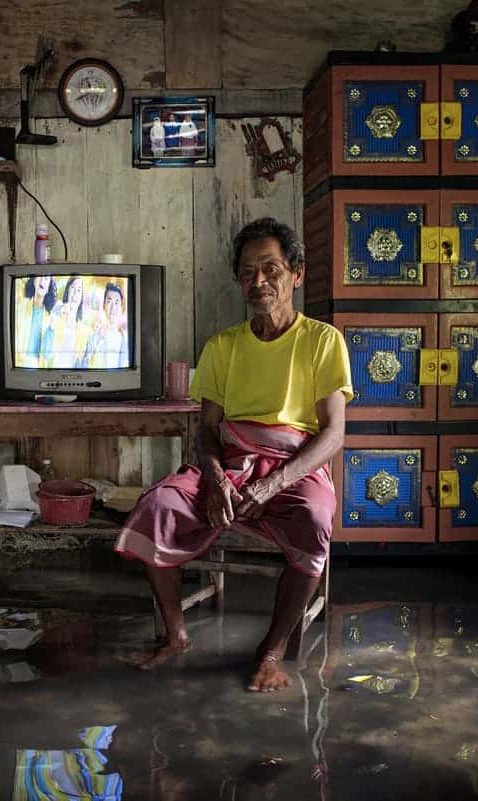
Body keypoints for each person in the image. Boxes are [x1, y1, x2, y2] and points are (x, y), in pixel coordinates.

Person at [115, 218, 353, 693]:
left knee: (315, 517)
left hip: (294, 467)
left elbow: (332, 435)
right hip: (231, 463)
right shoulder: (223, 346)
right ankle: (176, 635)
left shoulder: (323, 341)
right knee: (156, 507)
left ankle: (271, 652)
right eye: (248, 273)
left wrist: (273, 483)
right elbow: (205, 430)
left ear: (297, 274)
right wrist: (217, 476)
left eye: (271, 269)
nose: (259, 282)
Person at [82, 281, 128, 369]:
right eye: (109, 301)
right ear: (103, 305)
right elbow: (85, 367)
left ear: (122, 308)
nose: (113, 306)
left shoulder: (125, 340)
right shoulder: (94, 337)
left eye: (117, 302)